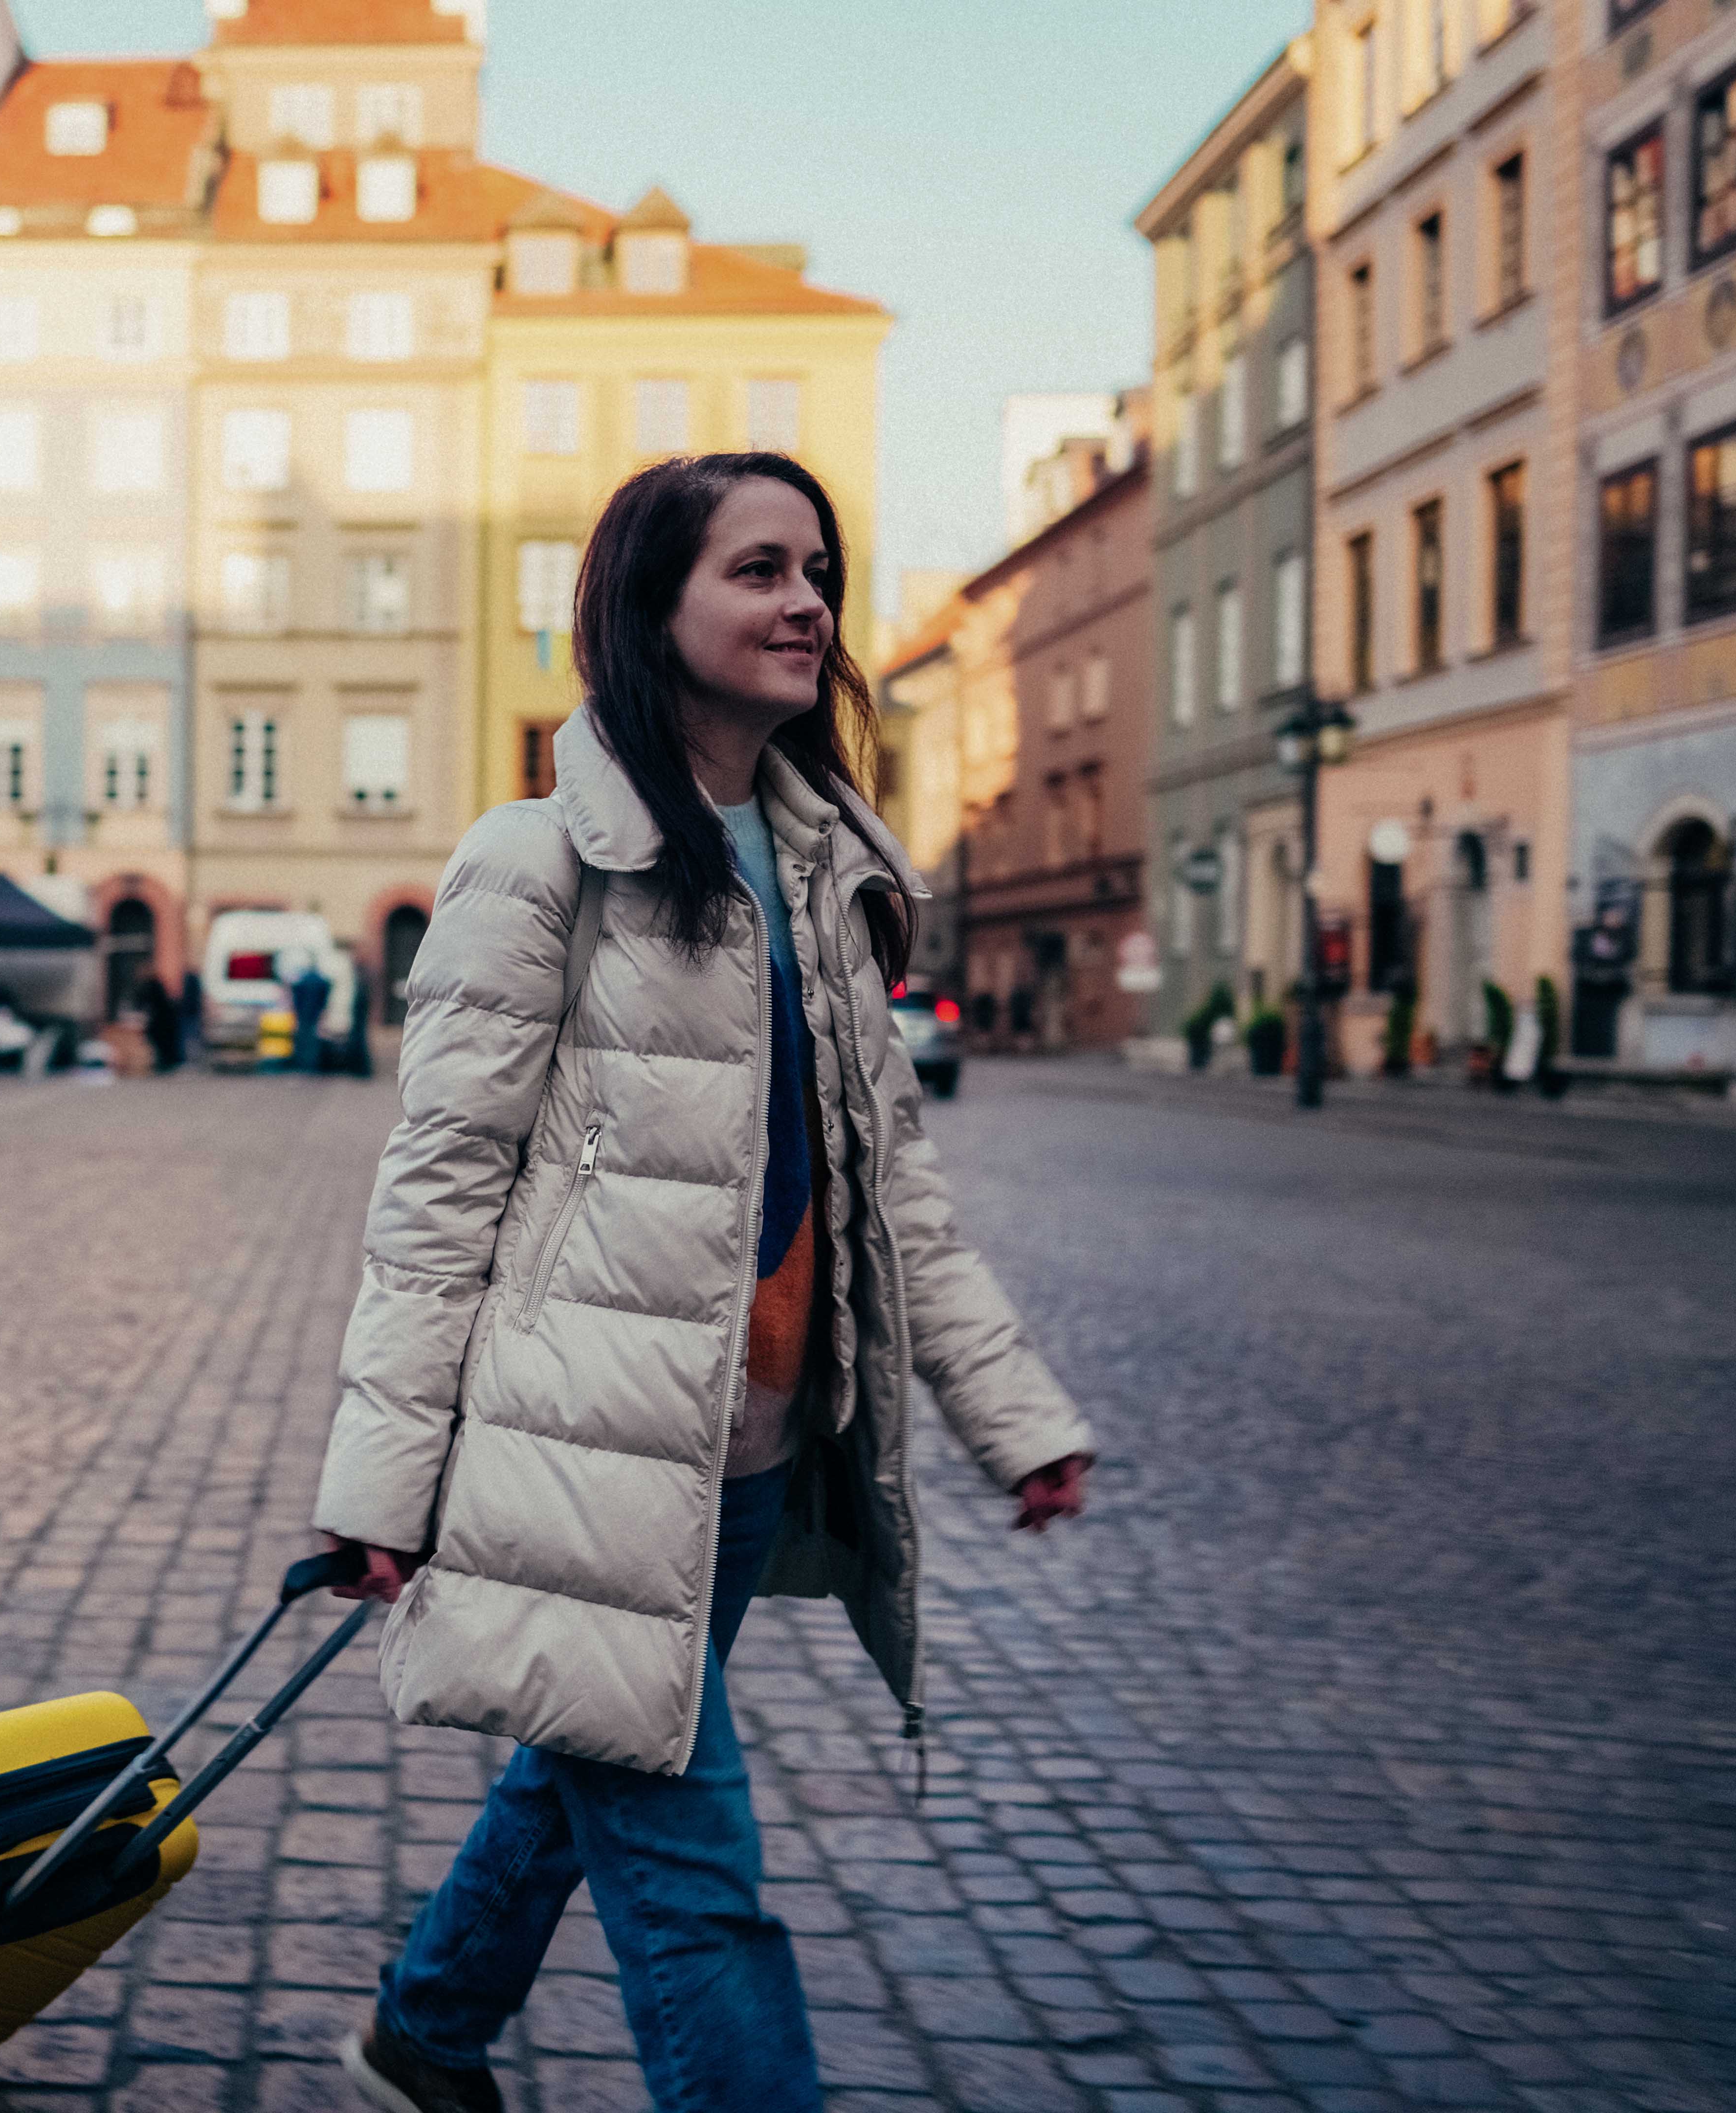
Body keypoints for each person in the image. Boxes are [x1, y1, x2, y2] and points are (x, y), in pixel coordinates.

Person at [315, 451, 1095, 2113]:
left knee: (587, 1758)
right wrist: (381, 1486)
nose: (806, 604)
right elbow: (437, 1194)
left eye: (817, 572)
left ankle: (420, 2039)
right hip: (576, 1460)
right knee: (699, 1886)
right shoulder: (538, 861)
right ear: (648, 606)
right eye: (757, 571)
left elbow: (894, 1191)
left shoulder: (826, 870)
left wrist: (1016, 1417)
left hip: (748, 1454)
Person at [285, 952, 333, 1077]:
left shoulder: (303, 979)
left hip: (304, 1013)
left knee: (303, 1039)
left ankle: (302, 1065)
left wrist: (295, 1010)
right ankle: (312, 1065)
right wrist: (323, 1010)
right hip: (315, 1013)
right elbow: (326, 993)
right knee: (313, 1040)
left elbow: (296, 995)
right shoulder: (320, 980)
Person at [137, 967, 182, 1076]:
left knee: (162, 1043)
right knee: (164, 1044)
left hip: (161, 1022)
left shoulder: (151, 986)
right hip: (163, 1021)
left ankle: (165, 1063)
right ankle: (166, 1063)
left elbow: (145, 1002)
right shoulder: (155, 985)